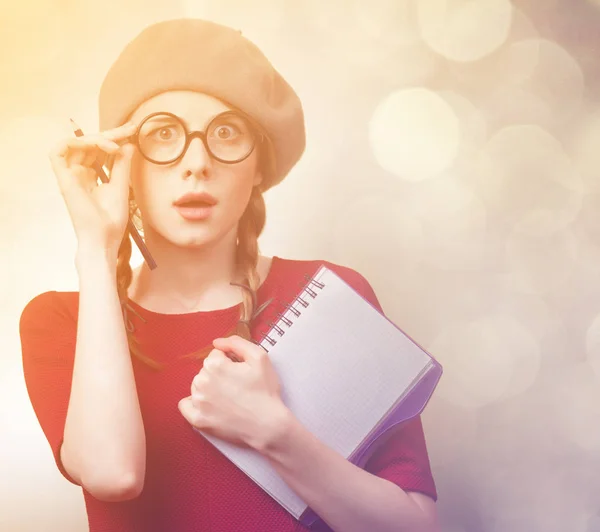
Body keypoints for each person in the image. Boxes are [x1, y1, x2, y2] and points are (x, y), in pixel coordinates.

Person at [19, 18, 439, 532]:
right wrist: (96, 250)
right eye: (163, 134)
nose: (196, 163)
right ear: (123, 162)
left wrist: (275, 433)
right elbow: (113, 474)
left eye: (225, 132)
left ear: (258, 164)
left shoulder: (331, 295)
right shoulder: (60, 321)